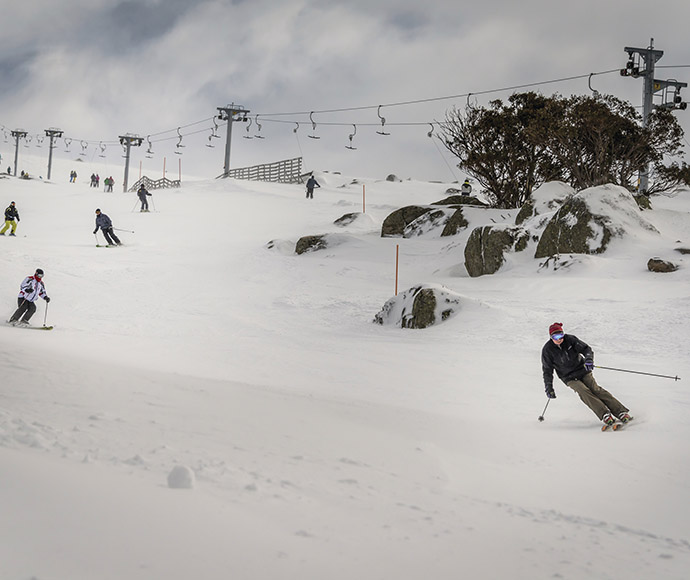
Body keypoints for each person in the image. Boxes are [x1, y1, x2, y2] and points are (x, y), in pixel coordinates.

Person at [542, 322, 632, 427]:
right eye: (555, 336)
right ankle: (604, 414)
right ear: (550, 337)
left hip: (582, 370)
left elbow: (586, 349)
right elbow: (547, 370)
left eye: (560, 335)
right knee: (583, 391)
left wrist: (588, 360)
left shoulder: (570, 340)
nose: (559, 339)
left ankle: (620, 411)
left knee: (595, 389)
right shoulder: (547, 350)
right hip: (568, 377)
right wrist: (549, 388)